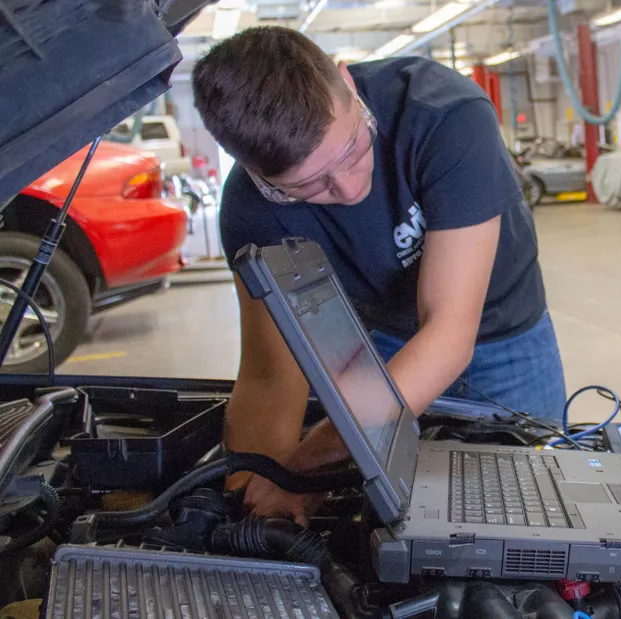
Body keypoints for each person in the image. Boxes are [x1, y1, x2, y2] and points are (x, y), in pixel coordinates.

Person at [193, 26, 565, 522]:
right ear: (256, 175)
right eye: (310, 185)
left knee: (532, 510)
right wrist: (251, 497)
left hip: (506, 337)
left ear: (345, 80)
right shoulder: (251, 211)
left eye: (351, 150)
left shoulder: (444, 115)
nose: (347, 188)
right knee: (395, 518)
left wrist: (302, 468)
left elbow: (450, 332)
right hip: (386, 343)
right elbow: (269, 376)